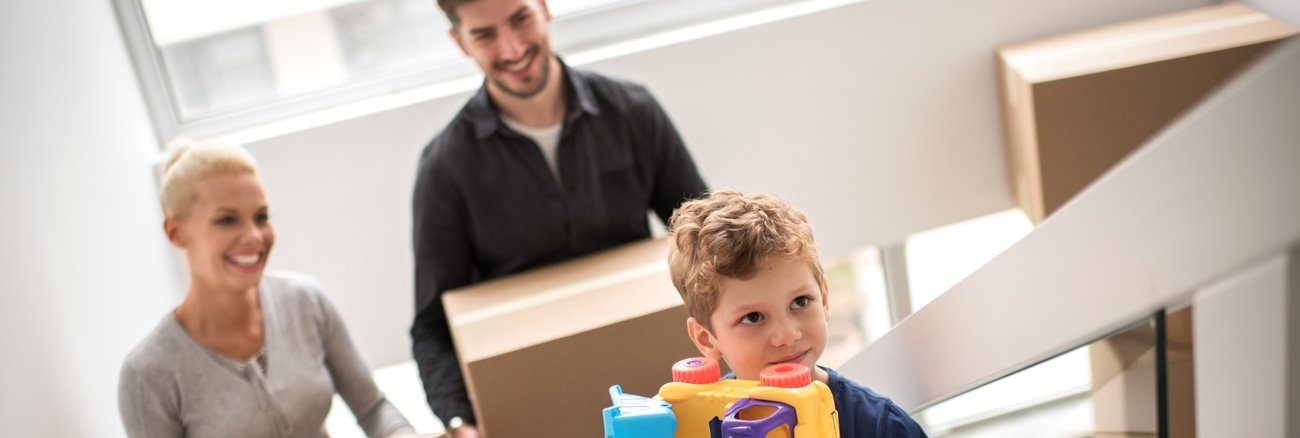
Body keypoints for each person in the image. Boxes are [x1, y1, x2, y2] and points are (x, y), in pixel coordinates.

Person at [411, 0, 709, 435]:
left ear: (545, 8)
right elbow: (432, 327)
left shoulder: (632, 112)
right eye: (485, 35)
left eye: (520, 19)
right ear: (459, 42)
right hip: (531, 405)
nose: (513, 49)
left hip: (660, 396)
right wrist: (460, 424)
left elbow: (709, 246)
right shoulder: (446, 167)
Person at [119, 141, 419, 438]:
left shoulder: (306, 302)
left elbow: (373, 409)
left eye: (261, 217)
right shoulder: (148, 375)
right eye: (227, 220)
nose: (253, 236)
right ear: (176, 233)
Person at [666, 190, 928, 437]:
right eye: (753, 318)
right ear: (705, 338)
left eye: (800, 301)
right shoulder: (696, 426)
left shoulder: (881, 427)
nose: (787, 335)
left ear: (824, 298)